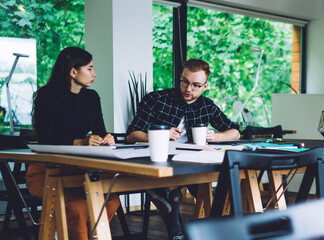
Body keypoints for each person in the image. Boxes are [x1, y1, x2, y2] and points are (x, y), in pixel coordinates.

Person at [126, 59, 240, 240]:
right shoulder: (156, 99)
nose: (188, 89)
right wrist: (159, 135)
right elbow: (132, 135)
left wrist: (216, 137)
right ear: (180, 78)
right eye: (185, 82)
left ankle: (221, 232)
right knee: (172, 184)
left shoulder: (207, 105)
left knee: (222, 188)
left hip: (193, 162)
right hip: (160, 160)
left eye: (196, 85)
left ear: (205, 86)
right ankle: (176, 234)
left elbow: (235, 132)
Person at [25, 47, 120, 240]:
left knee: (111, 201)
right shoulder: (46, 96)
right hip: (46, 171)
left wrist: (107, 138)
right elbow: (45, 139)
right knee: (78, 207)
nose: (95, 73)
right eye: (90, 68)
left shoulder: (92, 97)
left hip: (78, 170)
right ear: (73, 71)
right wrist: (80, 142)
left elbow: (100, 131)